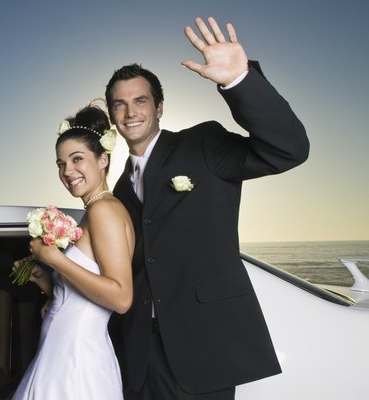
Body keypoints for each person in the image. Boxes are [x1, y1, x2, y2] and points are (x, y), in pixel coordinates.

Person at [105, 17, 309, 399]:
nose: (130, 112)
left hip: (203, 349)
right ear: (113, 116)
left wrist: (239, 80)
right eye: (120, 104)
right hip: (139, 354)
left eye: (140, 100)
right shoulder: (118, 188)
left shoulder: (202, 143)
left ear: (159, 107)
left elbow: (289, 149)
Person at [12, 105, 135, 399]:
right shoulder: (95, 211)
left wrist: (53, 258)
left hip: (76, 359)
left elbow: (121, 297)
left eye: (77, 159)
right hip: (63, 352)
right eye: (60, 163)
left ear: (103, 159)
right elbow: (86, 296)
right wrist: (47, 283)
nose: (67, 171)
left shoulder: (104, 210)